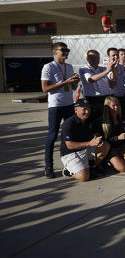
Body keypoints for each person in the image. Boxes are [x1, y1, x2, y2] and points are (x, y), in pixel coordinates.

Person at [42, 42, 80, 178]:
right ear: (54, 52)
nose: (65, 52)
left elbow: (73, 88)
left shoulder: (69, 67)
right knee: (52, 137)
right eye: (62, 50)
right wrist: (66, 82)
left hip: (69, 104)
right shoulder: (48, 67)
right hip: (55, 106)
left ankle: (70, 166)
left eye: (67, 50)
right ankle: (48, 167)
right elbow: (45, 89)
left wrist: (74, 82)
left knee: (69, 136)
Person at [60, 99, 110, 182]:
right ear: (76, 109)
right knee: (84, 177)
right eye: (84, 109)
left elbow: (93, 135)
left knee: (105, 145)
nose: (87, 111)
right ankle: (68, 170)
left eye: (88, 109)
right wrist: (90, 143)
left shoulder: (88, 120)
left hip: (85, 148)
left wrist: (97, 140)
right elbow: (69, 145)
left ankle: (92, 167)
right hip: (71, 153)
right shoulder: (68, 123)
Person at [101, 96, 125, 172]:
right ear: (108, 107)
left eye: (117, 105)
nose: (116, 107)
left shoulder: (122, 116)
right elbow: (103, 140)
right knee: (123, 168)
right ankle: (110, 160)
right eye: (113, 105)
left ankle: (120, 158)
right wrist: (117, 138)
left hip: (121, 145)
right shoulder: (103, 121)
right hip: (110, 148)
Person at [80, 50, 116, 127]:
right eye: (91, 57)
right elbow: (90, 79)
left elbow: (112, 83)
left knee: (107, 121)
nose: (94, 59)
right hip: (93, 99)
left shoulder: (103, 68)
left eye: (96, 57)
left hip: (105, 98)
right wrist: (107, 71)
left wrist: (114, 70)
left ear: (99, 58)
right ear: (87, 59)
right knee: (94, 122)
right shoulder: (84, 69)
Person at [106, 47, 125, 118]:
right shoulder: (106, 68)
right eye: (113, 55)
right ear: (108, 57)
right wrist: (114, 69)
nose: (116, 57)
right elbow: (112, 80)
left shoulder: (122, 67)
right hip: (113, 97)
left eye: (117, 55)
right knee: (115, 117)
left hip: (124, 95)